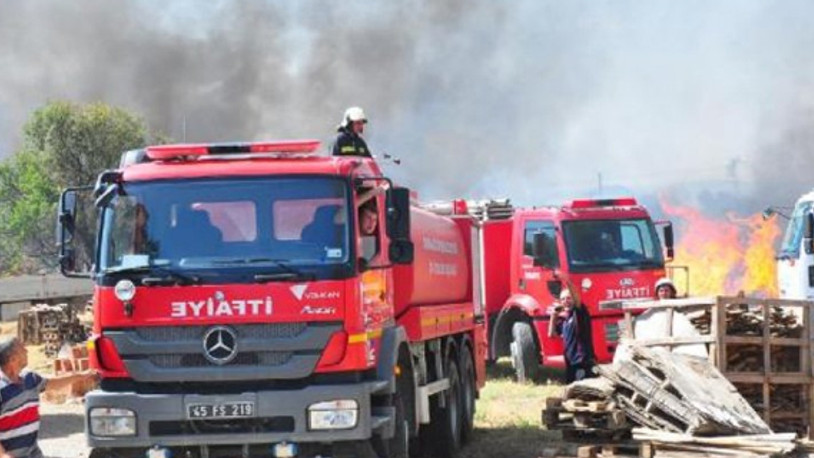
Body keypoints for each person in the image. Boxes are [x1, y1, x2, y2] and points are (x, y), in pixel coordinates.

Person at [0, 336, 97, 458]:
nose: (27, 351)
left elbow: (52, 383)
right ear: (12, 359)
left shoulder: (30, 378)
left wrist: (81, 376)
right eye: (22, 349)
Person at [559, 287, 596, 383]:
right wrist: (553, 316)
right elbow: (551, 334)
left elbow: (577, 300)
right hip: (570, 363)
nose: (565, 301)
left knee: (584, 390)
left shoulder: (579, 313)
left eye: (568, 298)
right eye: (562, 299)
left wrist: (566, 279)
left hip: (582, 361)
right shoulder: (566, 320)